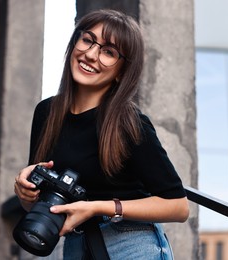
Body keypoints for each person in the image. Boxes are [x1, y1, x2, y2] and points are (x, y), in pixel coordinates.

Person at [14, 9, 189, 260]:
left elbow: (179, 206)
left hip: (131, 244)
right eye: (88, 40)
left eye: (108, 52)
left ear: (121, 71)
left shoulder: (129, 123)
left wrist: (97, 207)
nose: (91, 54)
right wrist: (25, 191)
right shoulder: (46, 113)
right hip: (76, 244)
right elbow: (37, 204)